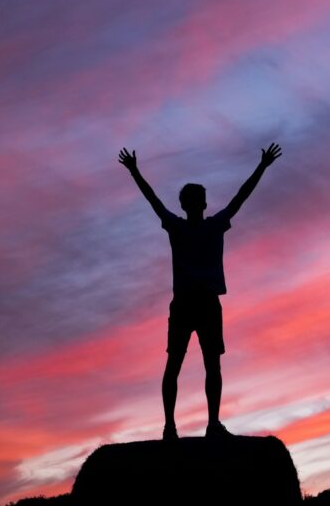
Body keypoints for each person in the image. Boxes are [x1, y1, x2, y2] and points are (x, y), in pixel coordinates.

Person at [118, 143, 282, 440]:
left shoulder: (187, 225)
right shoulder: (201, 225)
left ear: (190, 204)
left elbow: (154, 200)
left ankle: (190, 425)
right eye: (196, 199)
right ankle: (196, 425)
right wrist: (262, 166)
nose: (197, 202)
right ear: (200, 204)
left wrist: (134, 171)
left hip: (194, 303)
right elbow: (239, 198)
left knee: (186, 364)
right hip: (197, 303)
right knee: (198, 365)